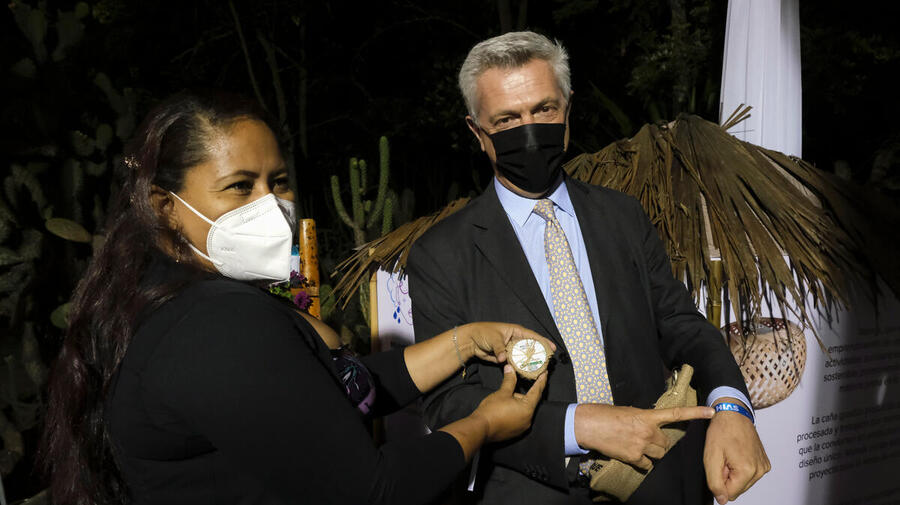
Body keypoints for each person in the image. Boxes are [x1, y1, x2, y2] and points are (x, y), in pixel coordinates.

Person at [38, 90, 553, 505]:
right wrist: (484, 423)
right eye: (240, 187)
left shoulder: (184, 297)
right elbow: (374, 489)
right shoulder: (215, 324)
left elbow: (333, 393)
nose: (272, 206)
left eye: (278, 181)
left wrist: (464, 342)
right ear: (165, 207)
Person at [406, 31, 770, 505]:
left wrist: (731, 406)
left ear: (569, 108)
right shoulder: (441, 254)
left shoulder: (623, 216)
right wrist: (578, 425)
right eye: (507, 119)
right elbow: (448, 401)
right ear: (476, 131)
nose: (529, 130)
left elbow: (681, 325)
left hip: (659, 483)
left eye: (544, 110)